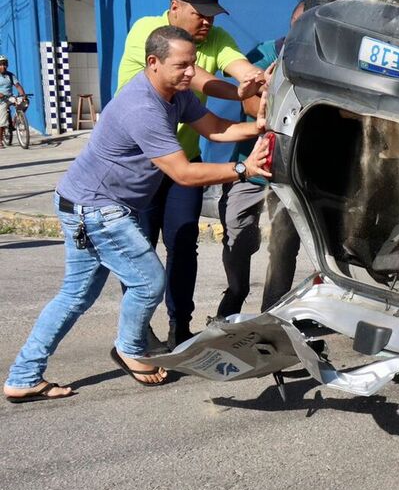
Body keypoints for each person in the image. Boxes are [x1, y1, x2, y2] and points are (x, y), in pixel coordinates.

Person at [4, 26, 270, 403]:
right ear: (153, 63)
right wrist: (245, 170)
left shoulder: (177, 93)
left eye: (193, 64)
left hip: (85, 203)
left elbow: (215, 128)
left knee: (74, 297)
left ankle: (23, 376)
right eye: (181, 65)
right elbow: (183, 173)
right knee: (148, 281)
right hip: (95, 207)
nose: (191, 73)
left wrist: (257, 127)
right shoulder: (143, 106)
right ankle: (130, 348)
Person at [117, 0, 267, 348]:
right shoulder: (148, 32)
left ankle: (179, 327)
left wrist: (253, 79)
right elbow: (196, 78)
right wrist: (236, 93)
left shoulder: (216, 38)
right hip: (138, 165)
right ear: (175, 7)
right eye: (199, 14)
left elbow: (238, 66)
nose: (207, 22)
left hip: (183, 158)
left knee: (184, 241)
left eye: (212, 15)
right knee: (140, 249)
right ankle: (137, 331)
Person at [215, 0, 305, 319]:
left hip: (292, 173)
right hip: (253, 166)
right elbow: (252, 106)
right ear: (292, 23)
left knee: (283, 244)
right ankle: (236, 293)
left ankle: (272, 313)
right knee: (238, 236)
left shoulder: (327, 60)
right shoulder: (268, 52)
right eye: (300, 25)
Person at [0, 55, 27, 149]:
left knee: (25, 102)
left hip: (10, 97)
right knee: (2, 121)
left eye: (4, 64)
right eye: (1, 64)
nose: (3, 66)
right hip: (1, 100)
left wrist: (23, 95)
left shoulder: (10, 75)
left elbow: (18, 86)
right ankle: (0, 141)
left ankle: (17, 118)